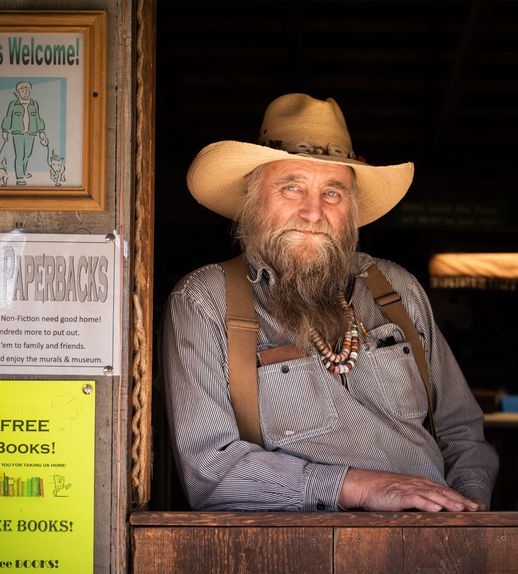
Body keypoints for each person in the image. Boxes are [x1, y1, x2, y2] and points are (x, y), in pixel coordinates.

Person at [162, 93, 498, 512]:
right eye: (291, 187)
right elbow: (209, 473)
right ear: (252, 197)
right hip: (293, 550)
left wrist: (466, 511)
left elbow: (462, 431)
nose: (312, 212)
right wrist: (360, 487)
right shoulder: (205, 302)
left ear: (352, 207)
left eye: (333, 193)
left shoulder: (395, 290)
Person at [1, 81, 48, 186]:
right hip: (18, 134)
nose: (26, 92)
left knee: (27, 154)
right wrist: (5, 131)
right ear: (18, 92)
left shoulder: (34, 104)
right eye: (22, 90)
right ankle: (20, 177)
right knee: (19, 155)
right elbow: (8, 118)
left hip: (31, 133)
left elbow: (38, 118)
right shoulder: (13, 104)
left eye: (27, 90)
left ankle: (24, 171)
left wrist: (41, 132)